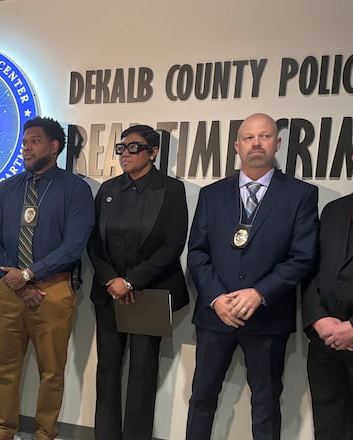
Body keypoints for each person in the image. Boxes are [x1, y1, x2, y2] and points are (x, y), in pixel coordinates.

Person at [185, 113, 318, 440]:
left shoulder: (301, 195)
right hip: (216, 316)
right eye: (249, 137)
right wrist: (217, 299)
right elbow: (198, 253)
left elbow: (303, 257)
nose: (256, 143)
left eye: (265, 136)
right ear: (237, 146)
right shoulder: (212, 194)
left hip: (267, 316)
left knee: (266, 403)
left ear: (278, 143)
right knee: (202, 398)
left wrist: (258, 293)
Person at [0, 116, 95, 440]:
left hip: (53, 291)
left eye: (34, 141)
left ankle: (45, 432)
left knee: (52, 372)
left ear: (54, 146)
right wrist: (17, 281)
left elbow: (74, 244)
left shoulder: (75, 190)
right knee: (4, 368)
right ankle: (4, 429)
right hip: (9, 291)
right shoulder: (7, 188)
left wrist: (30, 275)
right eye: (24, 142)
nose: (26, 148)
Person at [87, 125, 189, 440]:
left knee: (143, 371)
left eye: (134, 147)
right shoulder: (108, 189)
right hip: (109, 294)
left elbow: (173, 245)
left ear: (153, 152)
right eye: (122, 147)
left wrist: (130, 282)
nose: (126, 154)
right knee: (107, 370)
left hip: (149, 292)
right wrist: (112, 280)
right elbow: (94, 243)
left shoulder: (170, 189)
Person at [302, 182, 353, 440]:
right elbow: (313, 271)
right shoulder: (334, 210)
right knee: (328, 428)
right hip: (325, 345)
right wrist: (317, 318)